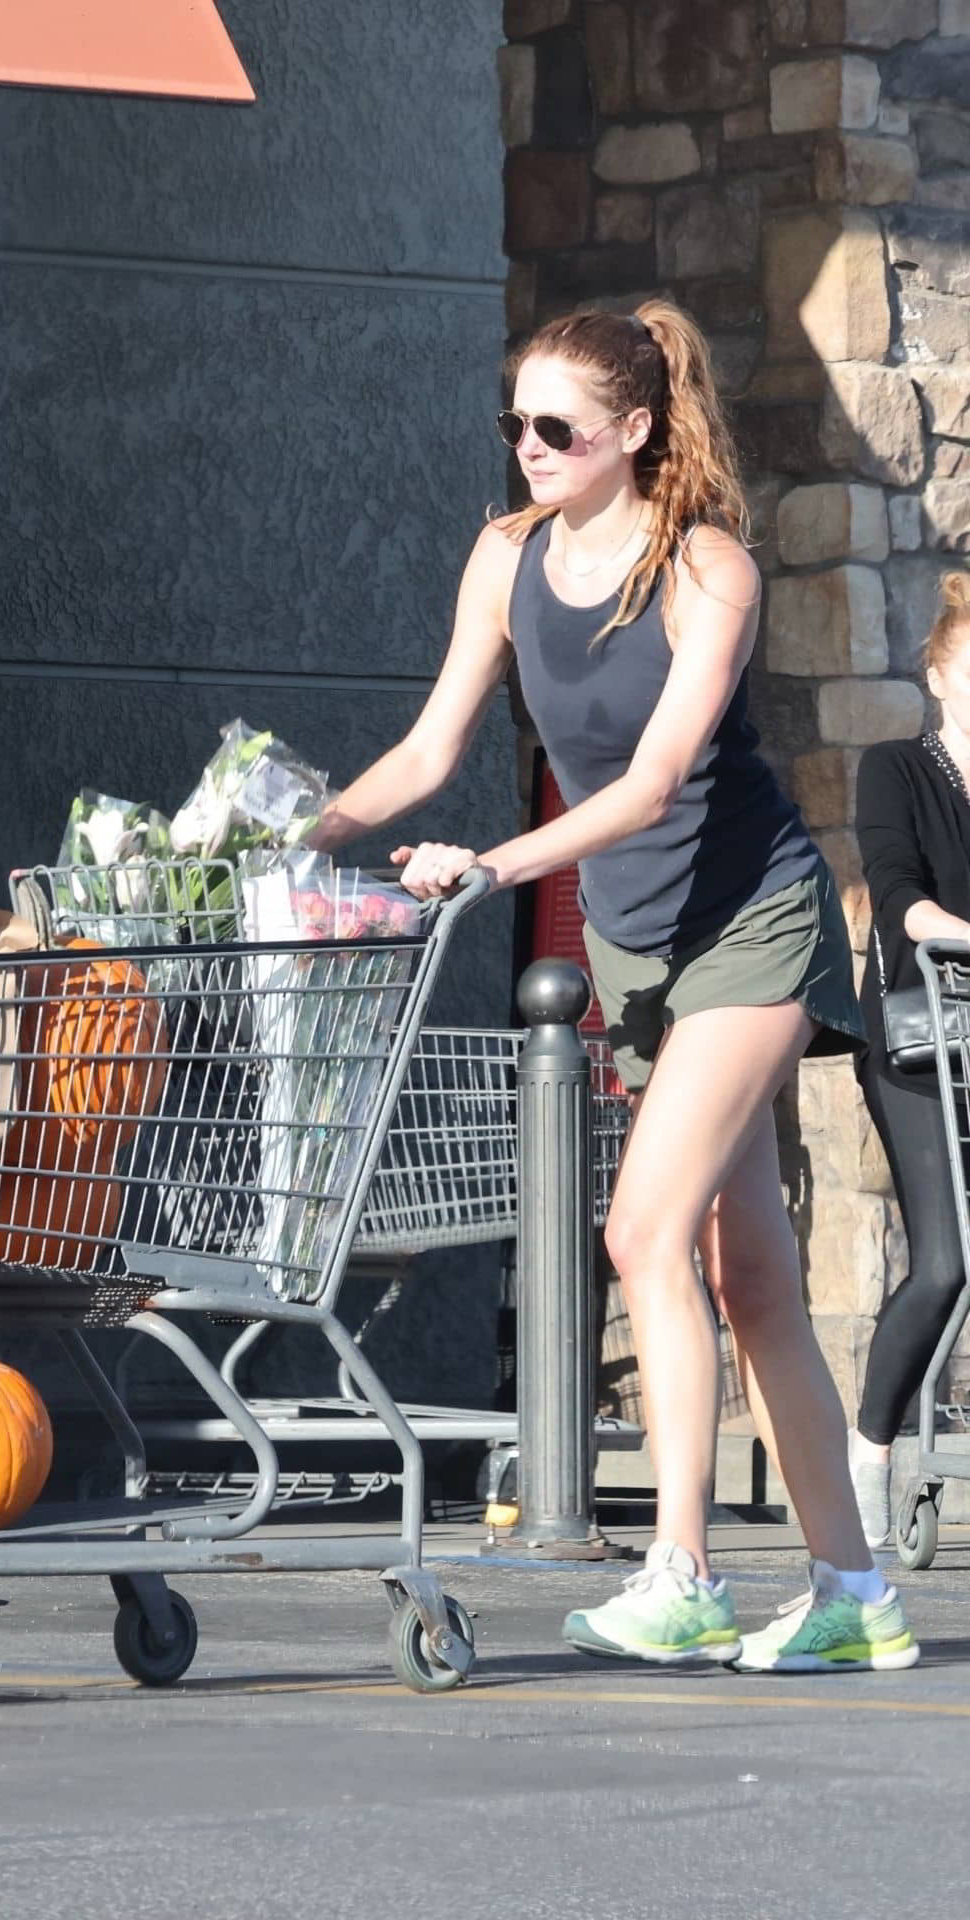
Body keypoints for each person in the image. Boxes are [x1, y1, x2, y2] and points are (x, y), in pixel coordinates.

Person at [311, 300, 919, 1672]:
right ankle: (857, 1596)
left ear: (634, 431)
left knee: (643, 1231)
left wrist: (492, 864)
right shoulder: (505, 557)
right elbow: (424, 752)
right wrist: (297, 830)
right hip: (637, 950)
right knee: (747, 1273)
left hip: (751, 923)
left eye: (558, 427)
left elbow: (650, 783)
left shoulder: (708, 570)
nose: (529, 446)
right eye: (514, 422)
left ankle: (684, 1571)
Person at [849, 572, 970, 1549]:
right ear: (938, 676)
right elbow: (900, 900)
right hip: (920, 1041)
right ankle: (870, 1449)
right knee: (944, 1261)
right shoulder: (895, 768)